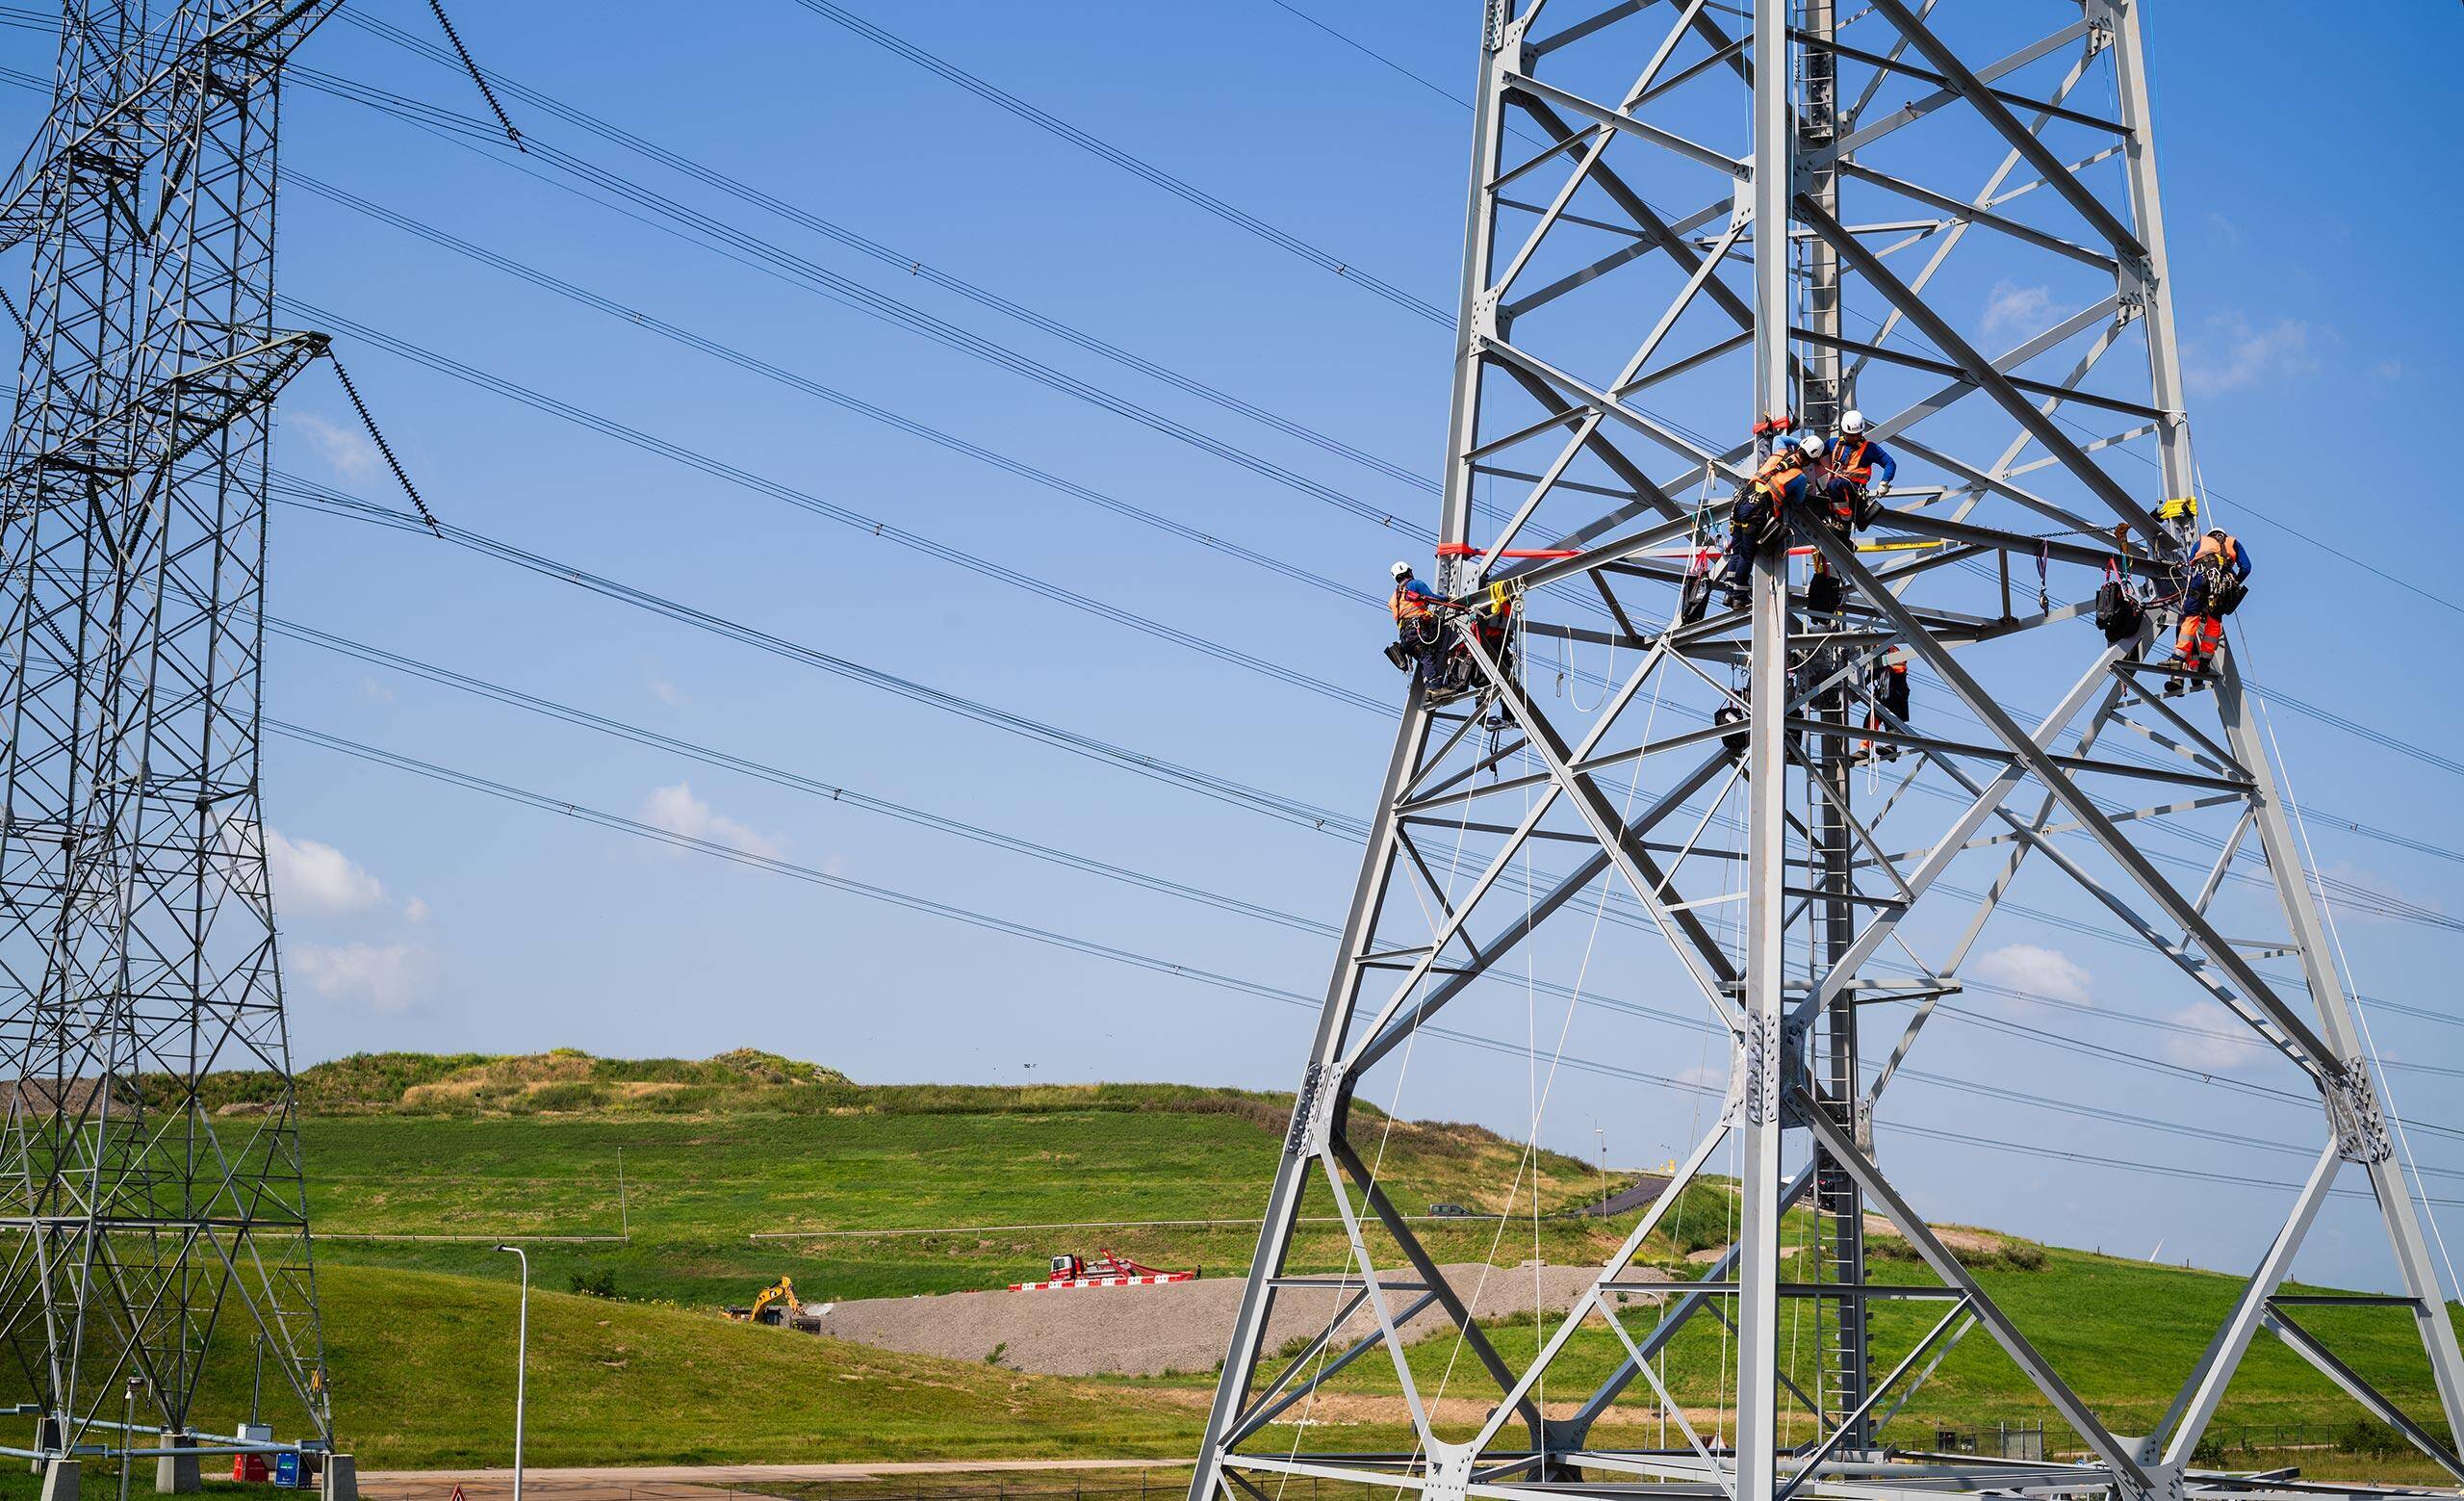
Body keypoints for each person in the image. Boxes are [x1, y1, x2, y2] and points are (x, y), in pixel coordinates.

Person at [1720, 427, 1828, 605]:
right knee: (1747, 554)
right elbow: (1799, 499)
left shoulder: (1779, 452)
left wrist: (1799, 443)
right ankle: (1738, 596)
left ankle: (1729, 592)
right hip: (1757, 511)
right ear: (1811, 460)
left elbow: (1780, 438)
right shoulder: (1799, 478)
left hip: (1742, 501)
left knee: (1737, 550)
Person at [2158, 529, 2250, 694]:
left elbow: (2191, 563)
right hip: (2222, 585)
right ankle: (2204, 663)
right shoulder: (2234, 543)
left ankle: (2177, 658)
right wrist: (2235, 582)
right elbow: (2246, 568)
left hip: (2202, 578)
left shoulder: (2202, 542)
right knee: (2214, 622)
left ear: (2210, 536)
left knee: (2190, 618)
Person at [1387, 560, 1447, 691]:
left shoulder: (1394, 598)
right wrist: (1448, 599)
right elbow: (1432, 598)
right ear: (1409, 572)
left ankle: (1428, 691)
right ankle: (1436, 689)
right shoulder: (1415, 584)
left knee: (1423, 660)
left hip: (1405, 638)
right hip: (1416, 630)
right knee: (1427, 655)